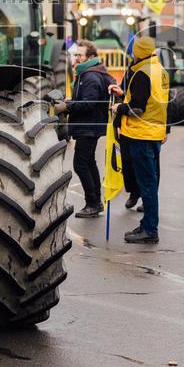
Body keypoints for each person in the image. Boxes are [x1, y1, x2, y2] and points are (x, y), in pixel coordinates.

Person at [109, 36, 168, 243]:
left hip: (141, 134)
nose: (132, 54)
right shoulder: (157, 69)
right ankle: (147, 226)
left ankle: (150, 230)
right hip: (153, 133)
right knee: (149, 183)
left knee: (147, 185)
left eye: (134, 51)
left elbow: (137, 108)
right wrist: (122, 92)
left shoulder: (141, 73)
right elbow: (155, 101)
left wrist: (118, 108)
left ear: (138, 52)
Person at [54, 41, 115, 218]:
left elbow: (90, 103)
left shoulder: (90, 76)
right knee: (89, 162)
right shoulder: (86, 74)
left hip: (89, 127)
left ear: (90, 57)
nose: (76, 58)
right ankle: (96, 202)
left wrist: (67, 106)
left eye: (80, 55)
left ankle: (92, 204)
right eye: (76, 55)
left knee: (80, 165)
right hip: (88, 126)